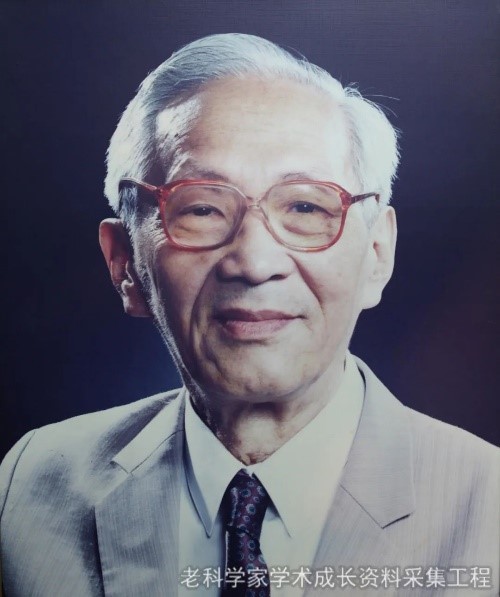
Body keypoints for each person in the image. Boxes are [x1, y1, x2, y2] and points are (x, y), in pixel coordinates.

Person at [0, 33, 497, 597]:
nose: (255, 263)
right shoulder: (31, 488)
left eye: (305, 206)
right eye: (202, 208)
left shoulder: (488, 508)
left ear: (377, 254)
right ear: (125, 266)